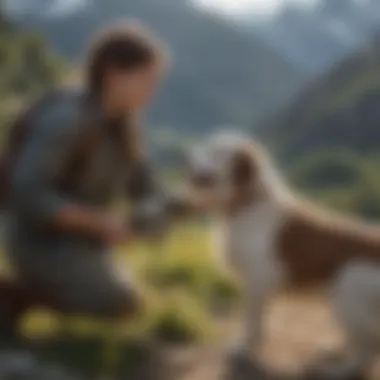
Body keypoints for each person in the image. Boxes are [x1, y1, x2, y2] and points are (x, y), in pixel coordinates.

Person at [2, 21, 170, 332]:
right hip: (37, 240)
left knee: (128, 304)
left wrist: (153, 215)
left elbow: (146, 187)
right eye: (146, 79)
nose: (153, 91)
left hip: (83, 243)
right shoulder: (67, 119)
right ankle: (15, 295)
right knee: (116, 302)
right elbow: (26, 192)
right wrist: (99, 223)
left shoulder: (124, 127)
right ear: (113, 73)